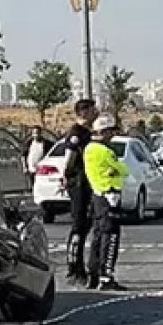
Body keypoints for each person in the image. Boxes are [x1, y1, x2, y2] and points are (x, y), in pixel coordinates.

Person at [84, 114, 129, 291]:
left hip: (97, 195)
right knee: (110, 237)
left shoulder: (89, 149)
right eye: (111, 131)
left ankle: (93, 274)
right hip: (109, 195)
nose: (113, 135)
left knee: (97, 235)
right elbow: (123, 170)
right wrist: (116, 170)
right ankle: (106, 276)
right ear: (104, 132)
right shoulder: (105, 151)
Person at [63, 99, 99, 285]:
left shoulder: (87, 133)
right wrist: (66, 177)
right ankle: (73, 270)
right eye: (93, 110)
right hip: (78, 183)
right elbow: (69, 159)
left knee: (85, 225)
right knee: (78, 226)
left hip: (86, 183)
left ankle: (81, 268)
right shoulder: (76, 133)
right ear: (83, 112)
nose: (96, 113)